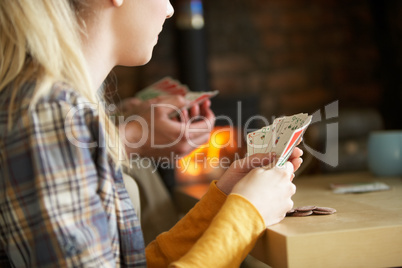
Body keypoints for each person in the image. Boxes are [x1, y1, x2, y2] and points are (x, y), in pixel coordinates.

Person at [0, 0, 303, 267]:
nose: (170, 9)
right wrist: (246, 216)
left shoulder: (63, 108)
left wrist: (225, 199)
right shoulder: (49, 113)